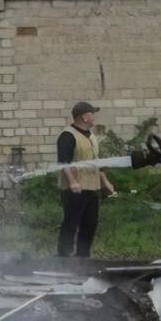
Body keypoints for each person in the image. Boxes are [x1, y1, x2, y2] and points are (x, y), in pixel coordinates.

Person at [56, 101, 117, 257]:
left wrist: (105, 182)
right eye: (92, 114)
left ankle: (83, 256)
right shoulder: (67, 136)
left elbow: (96, 161)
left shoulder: (91, 136)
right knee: (71, 223)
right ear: (84, 117)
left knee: (89, 224)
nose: (94, 117)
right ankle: (64, 256)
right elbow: (64, 162)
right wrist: (72, 182)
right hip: (75, 189)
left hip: (92, 187)